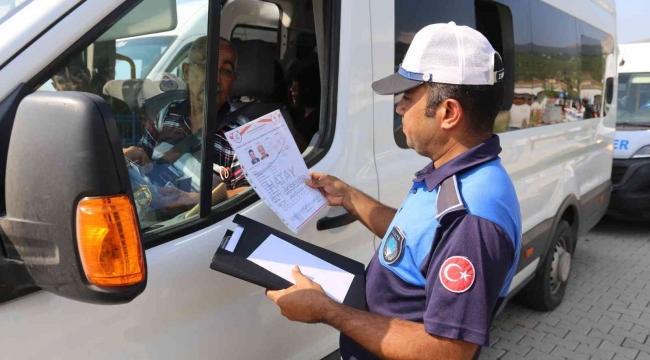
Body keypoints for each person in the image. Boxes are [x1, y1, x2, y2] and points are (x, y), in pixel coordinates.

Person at [265, 22, 522, 360]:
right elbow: (414, 241)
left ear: (448, 113)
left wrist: (325, 309)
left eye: (408, 97)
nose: (399, 108)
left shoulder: (469, 216)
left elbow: (448, 351)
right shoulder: (453, 171)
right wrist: (349, 197)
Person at [124, 36, 250, 207]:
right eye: (205, 67)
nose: (215, 79)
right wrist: (138, 155)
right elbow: (145, 154)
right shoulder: (168, 113)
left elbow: (249, 193)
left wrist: (194, 198)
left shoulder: (243, 133)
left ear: (233, 80)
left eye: (226, 71)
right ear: (186, 72)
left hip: (196, 225)